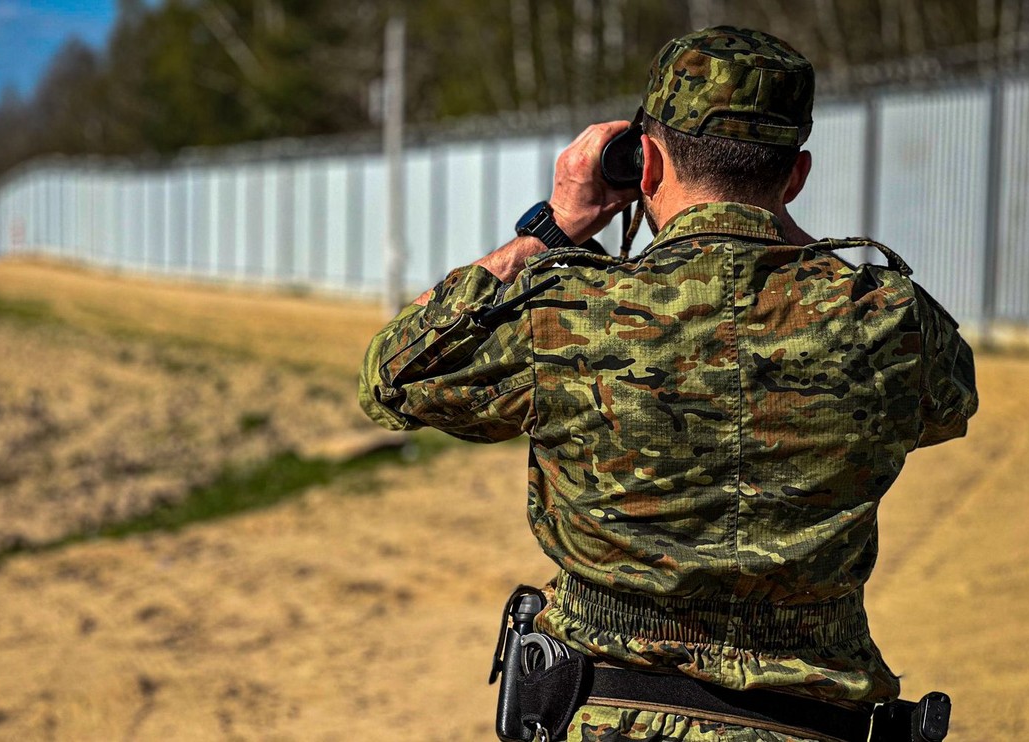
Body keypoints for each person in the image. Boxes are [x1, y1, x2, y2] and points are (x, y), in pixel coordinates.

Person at [359, 26, 977, 742]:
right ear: (796, 175)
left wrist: (553, 228)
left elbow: (393, 377)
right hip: (815, 724)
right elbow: (949, 402)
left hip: (609, 716)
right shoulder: (888, 320)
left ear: (644, 162)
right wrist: (779, 230)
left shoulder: (569, 314)